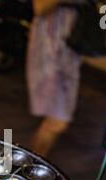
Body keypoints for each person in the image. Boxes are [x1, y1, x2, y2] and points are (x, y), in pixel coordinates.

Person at [27, 0, 82, 156]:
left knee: (57, 121)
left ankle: (34, 168)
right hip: (50, 51)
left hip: (68, 52)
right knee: (58, 121)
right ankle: (33, 169)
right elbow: (40, 7)